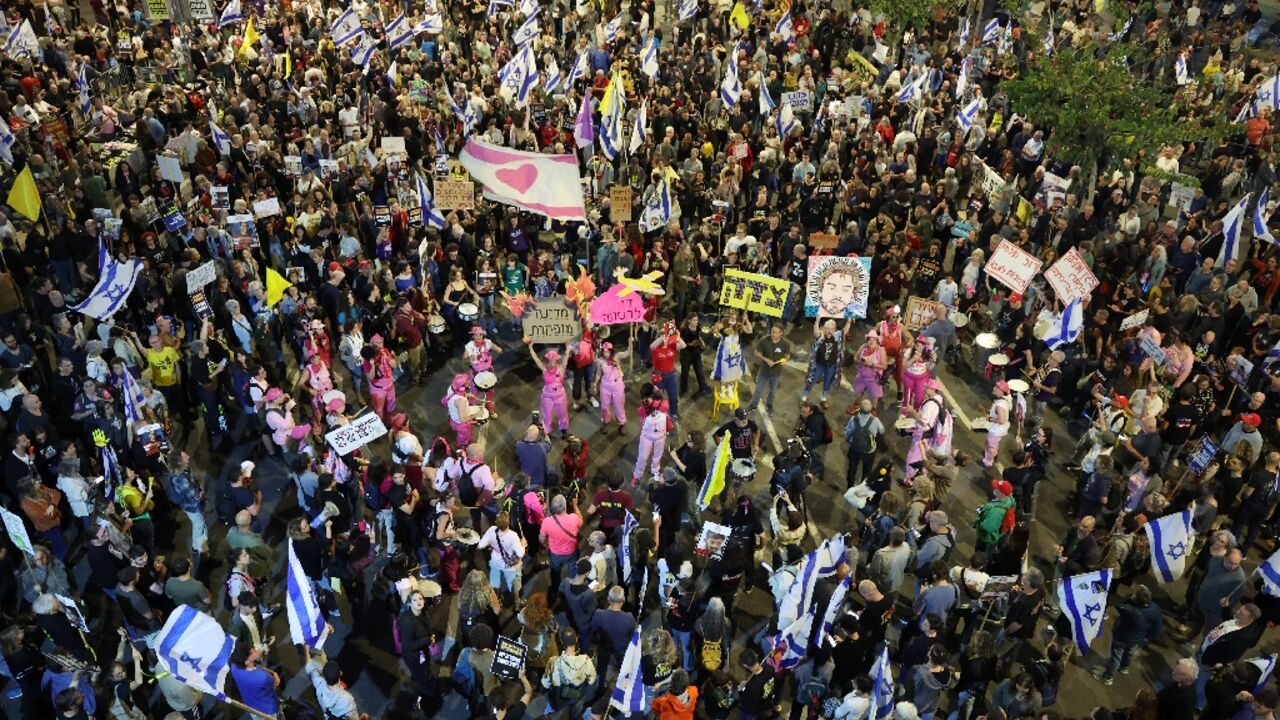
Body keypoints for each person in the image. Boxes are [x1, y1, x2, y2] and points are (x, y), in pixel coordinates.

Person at [1092, 584, 1163, 685]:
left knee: (1115, 657)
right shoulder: (1155, 609)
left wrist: (1130, 598)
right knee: (1129, 653)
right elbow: (1157, 626)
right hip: (1137, 638)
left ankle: (1108, 677)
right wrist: (1147, 638)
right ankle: (1124, 667)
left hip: (1122, 637)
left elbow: (1119, 604)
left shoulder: (1130, 610)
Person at [747, 323, 790, 413]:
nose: (773, 334)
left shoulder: (785, 343)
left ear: (781, 333)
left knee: (773, 391)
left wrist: (785, 360)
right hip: (764, 371)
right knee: (758, 389)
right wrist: (766, 360)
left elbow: (787, 355)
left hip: (776, 372)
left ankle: (769, 405)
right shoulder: (764, 340)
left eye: (775, 332)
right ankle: (753, 405)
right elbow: (756, 352)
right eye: (772, 332)